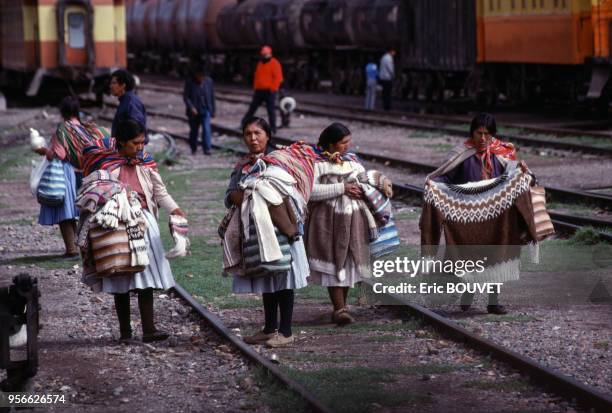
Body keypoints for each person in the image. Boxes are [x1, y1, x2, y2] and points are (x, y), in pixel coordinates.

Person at [81, 119, 186, 342]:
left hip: (144, 224)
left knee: (145, 278)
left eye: (142, 142)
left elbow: (159, 191)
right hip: (116, 225)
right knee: (120, 276)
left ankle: (149, 329)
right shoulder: (106, 166)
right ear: (121, 142)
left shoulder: (145, 162)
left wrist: (175, 209)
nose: (140, 147)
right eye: (135, 143)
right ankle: (125, 332)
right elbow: (96, 195)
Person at [426, 113, 521, 315]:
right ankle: (468, 291)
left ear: (493, 135)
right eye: (479, 133)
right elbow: (444, 175)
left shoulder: (501, 155)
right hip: (469, 215)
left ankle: (493, 301)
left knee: (497, 256)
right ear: (472, 133)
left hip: (496, 214)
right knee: (469, 255)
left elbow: (514, 174)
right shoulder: (461, 155)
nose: (483, 138)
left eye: (487, 134)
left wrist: (525, 177)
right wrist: (435, 185)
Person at [224, 117, 308, 347]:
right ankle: (270, 328)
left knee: (283, 277)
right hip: (256, 230)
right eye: (248, 134)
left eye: (257, 133)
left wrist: (258, 190)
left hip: (282, 228)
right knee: (266, 276)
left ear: (268, 136)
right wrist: (249, 193)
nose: (253, 138)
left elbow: (292, 191)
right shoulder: (242, 166)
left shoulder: (280, 162)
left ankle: (286, 331)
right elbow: (229, 196)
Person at [305, 122, 378, 325]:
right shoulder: (316, 163)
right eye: (343, 143)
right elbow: (309, 192)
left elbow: (365, 181)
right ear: (330, 144)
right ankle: (339, 308)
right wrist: (342, 188)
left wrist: (365, 187)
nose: (347, 146)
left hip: (353, 219)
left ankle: (341, 307)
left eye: (348, 141)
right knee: (333, 261)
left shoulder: (353, 161)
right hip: (326, 220)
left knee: (349, 261)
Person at [34, 96, 86, 257]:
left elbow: (59, 154)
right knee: (80, 213)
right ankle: (83, 248)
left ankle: (71, 249)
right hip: (84, 172)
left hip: (68, 173)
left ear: (63, 112)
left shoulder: (63, 129)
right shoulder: (83, 128)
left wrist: (44, 151)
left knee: (65, 213)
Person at [240, 46, 283, 135]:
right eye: (263, 54)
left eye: (266, 54)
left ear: (270, 54)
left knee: (271, 111)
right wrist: (256, 87)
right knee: (252, 108)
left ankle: (273, 129)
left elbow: (278, 78)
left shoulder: (275, 63)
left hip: (269, 91)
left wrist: (273, 89)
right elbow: (257, 76)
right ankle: (243, 124)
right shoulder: (260, 63)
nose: (264, 56)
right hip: (259, 91)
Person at [183, 66, 216, 155]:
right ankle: (193, 148)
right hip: (194, 112)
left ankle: (207, 149)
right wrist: (191, 107)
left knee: (206, 129)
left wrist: (213, 111)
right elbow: (186, 97)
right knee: (194, 131)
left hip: (205, 110)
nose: (201, 78)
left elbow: (212, 97)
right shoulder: (190, 82)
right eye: (199, 76)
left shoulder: (209, 82)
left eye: (203, 77)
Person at [109, 69, 147, 141]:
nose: (110, 86)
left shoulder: (131, 103)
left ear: (123, 85)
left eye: (114, 83)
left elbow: (137, 132)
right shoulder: (125, 100)